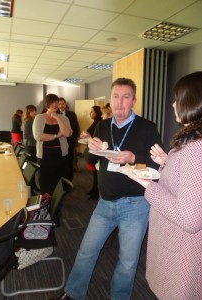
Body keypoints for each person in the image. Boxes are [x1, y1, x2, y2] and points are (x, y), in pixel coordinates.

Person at [51, 78, 163, 300]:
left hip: (136, 204)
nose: (120, 103)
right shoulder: (102, 125)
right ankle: (73, 294)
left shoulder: (147, 127)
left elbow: (158, 165)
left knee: (127, 261)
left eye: (126, 97)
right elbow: (91, 159)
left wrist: (134, 157)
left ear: (134, 101)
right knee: (86, 251)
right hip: (105, 201)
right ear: (110, 100)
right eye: (115, 97)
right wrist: (90, 146)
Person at [126, 72, 202, 300]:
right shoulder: (194, 142)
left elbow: (189, 218)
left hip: (182, 251)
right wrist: (167, 164)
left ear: (193, 101)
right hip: (177, 244)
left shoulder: (196, 147)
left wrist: (147, 185)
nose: (173, 104)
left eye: (177, 98)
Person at [33, 94, 72, 195]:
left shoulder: (64, 118)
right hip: (44, 156)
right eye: (52, 102)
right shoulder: (39, 118)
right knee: (45, 182)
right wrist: (56, 136)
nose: (55, 105)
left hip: (60, 155)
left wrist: (58, 118)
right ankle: (46, 205)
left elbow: (67, 133)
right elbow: (38, 136)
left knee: (59, 182)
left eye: (56, 102)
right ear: (47, 104)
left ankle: (57, 205)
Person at [80, 105, 102, 200]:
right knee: (94, 173)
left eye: (92, 112)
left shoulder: (99, 122)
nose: (90, 113)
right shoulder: (95, 122)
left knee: (96, 172)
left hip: (96, 151)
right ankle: (94, 189)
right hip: (92, 149)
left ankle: (95, 192)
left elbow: (95, 137)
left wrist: (88, 136)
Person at [58, 97, 80, 181]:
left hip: (70, 141)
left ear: (65, 104)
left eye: (62, 104)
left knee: (69, 161)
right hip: (59, 142)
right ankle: (60, 180)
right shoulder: (54, 114)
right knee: (60, 162)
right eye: (59, 104)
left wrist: (75, 139)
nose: (61, 106)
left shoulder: (71, 114)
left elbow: (76, 127)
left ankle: (69, 181)